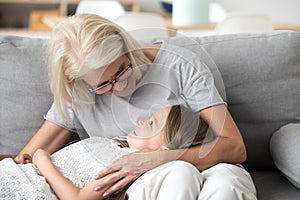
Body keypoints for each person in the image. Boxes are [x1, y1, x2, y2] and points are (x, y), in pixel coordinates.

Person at [14, 14, 257, 199]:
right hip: (144, 184)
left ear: (126, 46)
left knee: (225, 185)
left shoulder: (179, 66)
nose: (118, 87)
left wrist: (154, 159)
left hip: (209, 165)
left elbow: (234, 146)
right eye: (102, 86)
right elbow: (29, 158)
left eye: (121, 70)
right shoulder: (77, 91)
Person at [1, 105, 211, 200]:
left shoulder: (128, 164)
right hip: (18, 172)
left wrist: (43, 160)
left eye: (152, 123)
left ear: (164, 150)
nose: (141, 121)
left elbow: (78, 199)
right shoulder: (114, 145)